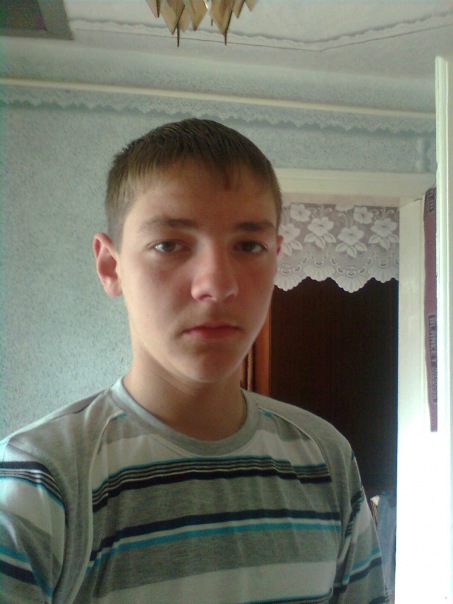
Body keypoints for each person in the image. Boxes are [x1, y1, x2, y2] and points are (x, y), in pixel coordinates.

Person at [0, 119, 389, 603]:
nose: (217, 285)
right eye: (169, 245)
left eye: (249, 246)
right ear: (111, 265)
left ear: (276, 257)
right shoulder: (39, 485)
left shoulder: (327, 459)